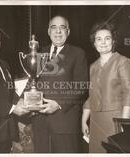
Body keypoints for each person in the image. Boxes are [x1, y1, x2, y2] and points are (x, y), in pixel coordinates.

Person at [32, 15, 88, 153]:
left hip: (65, 124)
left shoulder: (78, 53)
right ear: (48, 31)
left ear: (68, 32)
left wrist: (58, 104)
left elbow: (81, 87)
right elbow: (33, 82)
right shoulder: (39, 54)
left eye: (62, 28)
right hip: (40, 125)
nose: (58, 31)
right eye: (54, 28)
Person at [82, 21, 130, 153]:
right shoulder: (92, 67)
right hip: (95, 120)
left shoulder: (123, 62)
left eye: (107, 38)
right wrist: (84, 121)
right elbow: (91, 95)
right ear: (94, 43)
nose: (103, 42)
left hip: (115, 119)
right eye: (98, 39)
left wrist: (123, 122)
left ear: (113, 41)